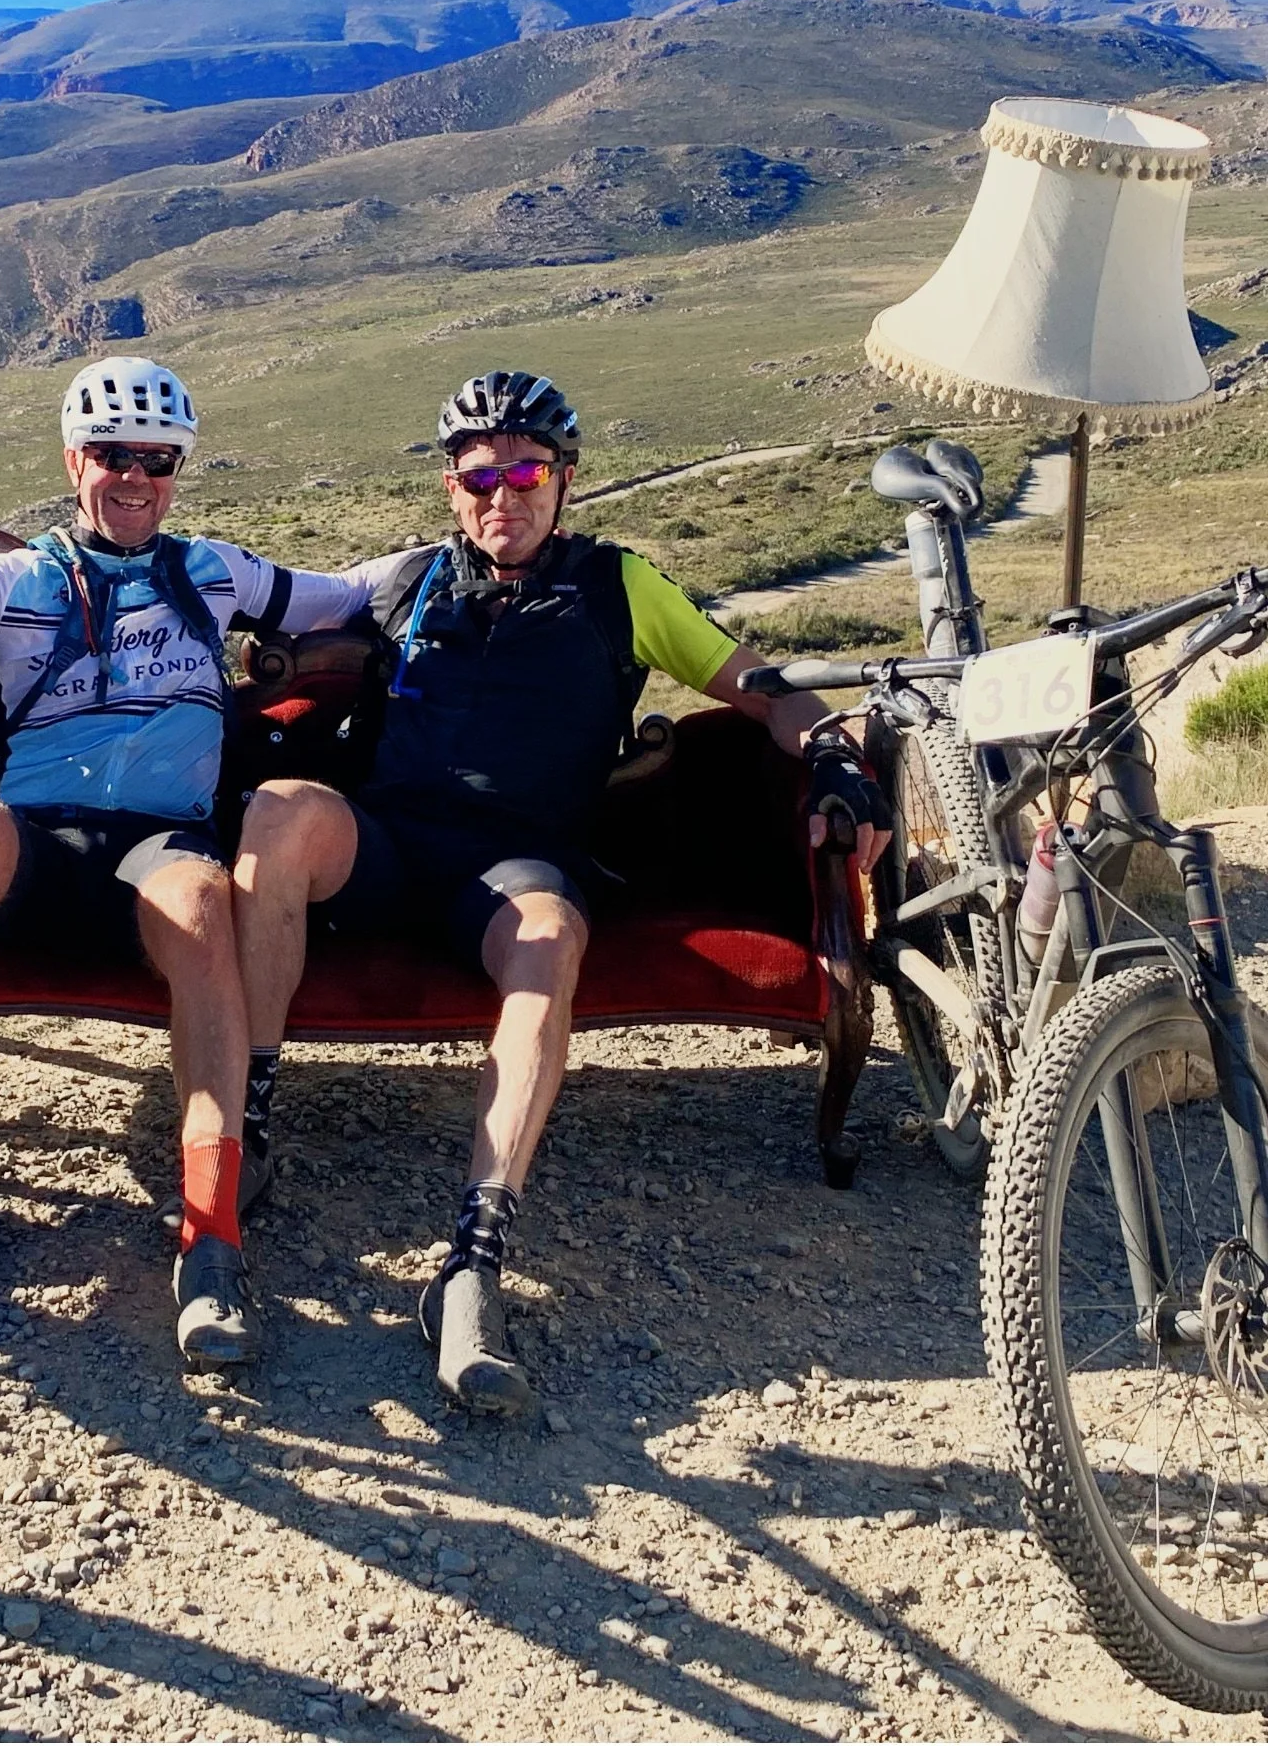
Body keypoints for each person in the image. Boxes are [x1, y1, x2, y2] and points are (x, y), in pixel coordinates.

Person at [230, 369, 891, 1415]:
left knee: (547, 937)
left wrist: (839, 761)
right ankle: (245, 1137)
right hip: (389, 844)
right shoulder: (404, 579)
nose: (504, 495)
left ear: (566, 480)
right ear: (452, 487)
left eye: (527, 472)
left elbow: (761, 689)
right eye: (480, 476)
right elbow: (258, 592)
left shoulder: (622, 587)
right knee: (277, 814)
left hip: (516, 867)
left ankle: (474, 1256)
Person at [0, 359, 380, 1362]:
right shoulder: (20, 577)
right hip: (37, 839)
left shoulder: (212, 571)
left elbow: (341, 596)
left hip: (154, 847)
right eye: (111, 455)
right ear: (71, 460)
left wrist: (474, 537)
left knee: (202, 897)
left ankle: (213, 1234)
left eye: (157, 459)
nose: (134, 478)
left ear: (176, 468)